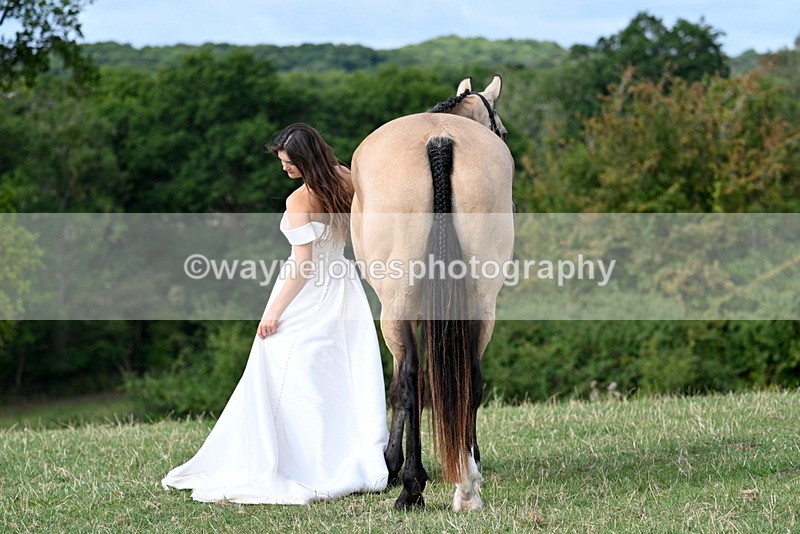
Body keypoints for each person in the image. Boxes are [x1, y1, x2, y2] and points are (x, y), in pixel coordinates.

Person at [161, 123, 389, 504]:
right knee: (337, 367)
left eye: (288, 163)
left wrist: (273, 313)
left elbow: (303, 266)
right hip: (344, 284)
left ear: (303, 160)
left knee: (280, 358)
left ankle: (300, 459)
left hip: (310, 289)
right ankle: (337, 448)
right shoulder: (347, 178)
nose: (284, 169)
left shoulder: (299, 202)